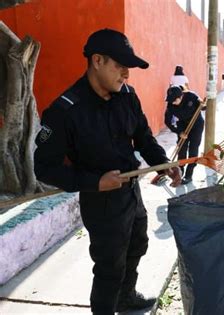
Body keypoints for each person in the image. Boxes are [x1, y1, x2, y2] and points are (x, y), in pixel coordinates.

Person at [34, 28, 181, 315]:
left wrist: (165, 163)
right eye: (120, 67)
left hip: (131, 191)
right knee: (109, 267)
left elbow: (143, 137)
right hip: (100, 200)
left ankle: (126, 298)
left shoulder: (127, 96)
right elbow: (44, 168)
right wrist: (95, 182)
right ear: (97, 60)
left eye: (128, 68)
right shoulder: (66, 110)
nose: (126, 75)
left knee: (137, 244)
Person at [164, 85, 206, 185]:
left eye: (174, 100)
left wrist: (203, 105)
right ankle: (179, 171)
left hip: (196, 124)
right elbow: (167, 121)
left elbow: (203, 106)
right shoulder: (170, 105)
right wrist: (179, 132)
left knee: (193, 149)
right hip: (182, 125)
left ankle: (189, 175)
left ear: (180, 97)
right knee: (181, 148)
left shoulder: (191, 96)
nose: (172, 102)